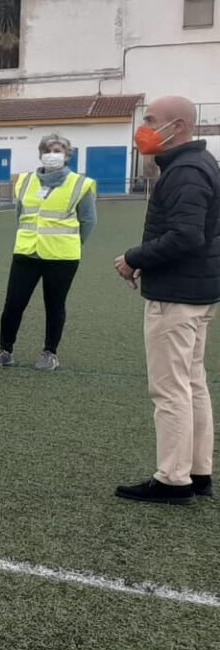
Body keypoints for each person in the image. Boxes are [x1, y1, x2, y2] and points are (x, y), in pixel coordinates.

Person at [114, 97, 220, 505]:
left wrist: (134, 258)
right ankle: (197, 471)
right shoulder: (196, 166)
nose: (144, 128)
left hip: (178, 297)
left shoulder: (186, 172)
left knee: (172, 390)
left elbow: (186, 236)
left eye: (151, 121)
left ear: (177, 126)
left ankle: (174, 480)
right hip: (195, 291)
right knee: (193, 384)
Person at [0, 134, 97, 372]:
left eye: (58, 150)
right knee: (13, 304)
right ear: (41, 154)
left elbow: (88, 221)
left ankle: (50, 353)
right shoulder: (25, 181)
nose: (53, 155)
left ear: (67, 156)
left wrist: (72, 243)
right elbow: (20, 215)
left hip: (62, 257)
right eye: (49, 150)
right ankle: (5, 350)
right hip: (27, 253)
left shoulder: (80, 184)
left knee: (55, 305)